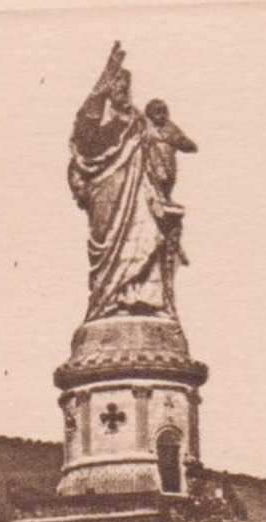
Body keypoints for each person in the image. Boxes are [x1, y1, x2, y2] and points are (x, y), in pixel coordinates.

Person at [67, 44, 196, 321]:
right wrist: (107, 72)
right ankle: (110, 300)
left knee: (148, 236)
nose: (124, 92)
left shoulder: (139, 121)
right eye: (118, 87)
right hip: (107, 197)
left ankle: (144, 300)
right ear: (107, 91)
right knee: (111, 253)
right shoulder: (98, 122)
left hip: (140, 197)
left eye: (127, 88)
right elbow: (83, 133)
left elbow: (163, 146)